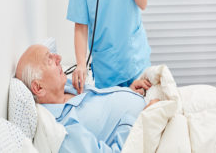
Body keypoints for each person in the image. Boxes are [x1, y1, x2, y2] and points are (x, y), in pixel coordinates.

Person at [16, 44, 158, 153]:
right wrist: (146, 119)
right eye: (50, 60)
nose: (58, 58)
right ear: (38, 88)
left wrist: (127, 92)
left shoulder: (69, 87)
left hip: (148, 100)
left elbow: (102, 106)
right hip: (151, 129)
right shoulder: (64, 131)